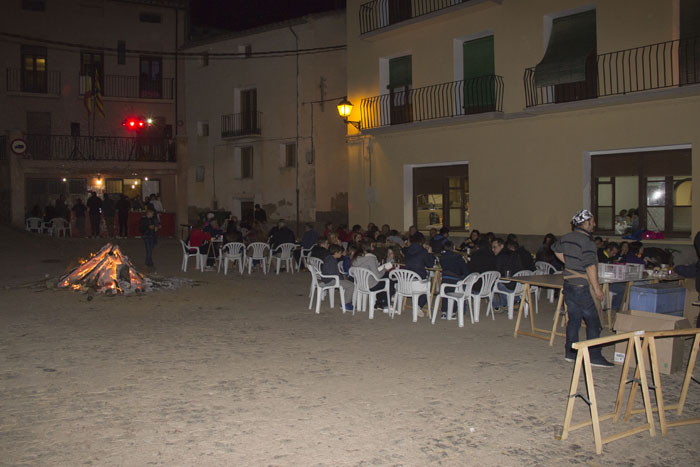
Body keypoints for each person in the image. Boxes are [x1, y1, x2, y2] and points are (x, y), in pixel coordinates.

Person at [552, 209, 613, 367]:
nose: (594, 224)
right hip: (582, 286)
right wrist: (598, 289)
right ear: (585, 223)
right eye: (592, 221)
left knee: (574, 320)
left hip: (569, 284)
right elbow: (590, 266)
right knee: (594, 321)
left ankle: (571, 353)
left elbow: (556, 250)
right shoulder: (587, 242)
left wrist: (569, 263)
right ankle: (594, 356)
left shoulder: (567, 237)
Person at [403, 233, 436, 316]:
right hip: (418, 281)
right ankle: (418, 306)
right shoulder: (423, 251)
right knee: (429, 287)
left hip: (406, 280)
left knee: (423, 282)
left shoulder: (407, 250)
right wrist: (430, 253)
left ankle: (415, 304)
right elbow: (430, 265)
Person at [491, 239, 524, 312]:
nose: (493, 250)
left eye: (494, 247)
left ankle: (504, 305)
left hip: (510, 285)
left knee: (494, 284)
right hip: (520, 284)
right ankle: (517, 300)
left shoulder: (500, 257)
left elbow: (497, 272)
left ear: (502, 246)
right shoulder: (515, 254)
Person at [322, 244, 355, 311]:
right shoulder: (331, 261)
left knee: (348, 283)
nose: (341, 254)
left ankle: (346, 301)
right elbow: (333, 273)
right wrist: (342, 278)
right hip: (331, 280)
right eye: (340, 253)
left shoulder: (329, 258)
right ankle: (346, 304)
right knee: (351, 285)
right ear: (336, 253)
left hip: (328, 278)